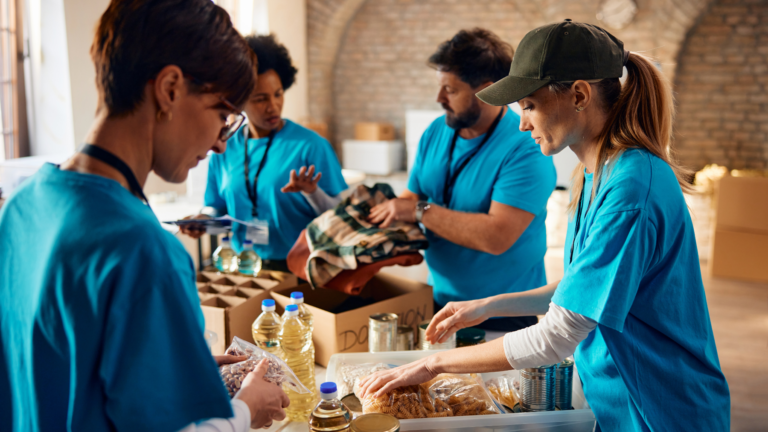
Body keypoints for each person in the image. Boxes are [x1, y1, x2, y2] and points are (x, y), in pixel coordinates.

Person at [358, 20, 731, 431]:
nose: (522, 123)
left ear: (579, 95)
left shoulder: (630, 189)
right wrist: (487, 306)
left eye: (529, 105)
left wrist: (433, 364)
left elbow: (558, 334)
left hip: (662, 407)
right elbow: (584, 291)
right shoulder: (595, 173)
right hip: (619, 399)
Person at [0, 1, 290, 431]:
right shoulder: (143, 250)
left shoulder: (22, 207)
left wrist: (177, 364)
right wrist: (246, 409)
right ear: (170, 89)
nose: (220, 144)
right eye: (223, 115)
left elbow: (60, 363)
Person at [368, 28, 556, 332]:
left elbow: (496, 237)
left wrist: (418, 212)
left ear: (488, 90)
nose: (439, 98)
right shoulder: (436, 131)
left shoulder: (526, 147)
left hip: (503, 314)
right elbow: (412, 197)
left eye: (450, 90)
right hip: (439, 300)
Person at [181, 34, 347, 272]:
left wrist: (312, 192)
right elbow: (217, 208)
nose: (273, 106)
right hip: (245, 266)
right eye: (260, 99)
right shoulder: (224, 146)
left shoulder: (310, 146)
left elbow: (341, 217)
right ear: (239, 102)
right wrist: (203, 221)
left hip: (301, 268)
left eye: (278, 94)